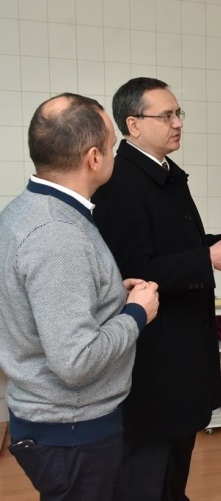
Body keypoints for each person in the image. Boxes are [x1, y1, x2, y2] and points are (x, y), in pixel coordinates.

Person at [92, 77, 221, 501]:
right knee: (148, 470)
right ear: (133, 124)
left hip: (183, 342)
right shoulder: (121, 181)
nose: (178, 123)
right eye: (166, 115)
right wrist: (207, 258)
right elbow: (130, 270)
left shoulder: (166, 174)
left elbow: (171, 246)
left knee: (176, 464)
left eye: (178, 113)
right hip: (153, 353)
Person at [0, 93, 159, 500]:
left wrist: (109, 296)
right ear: (94, 158)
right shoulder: (57, 235)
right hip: (72, 430)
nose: (114, 155)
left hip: (50, 420)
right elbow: (76, 362)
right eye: (112, 146)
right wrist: (136, 314)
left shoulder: (27, 210)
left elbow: (37, 304)